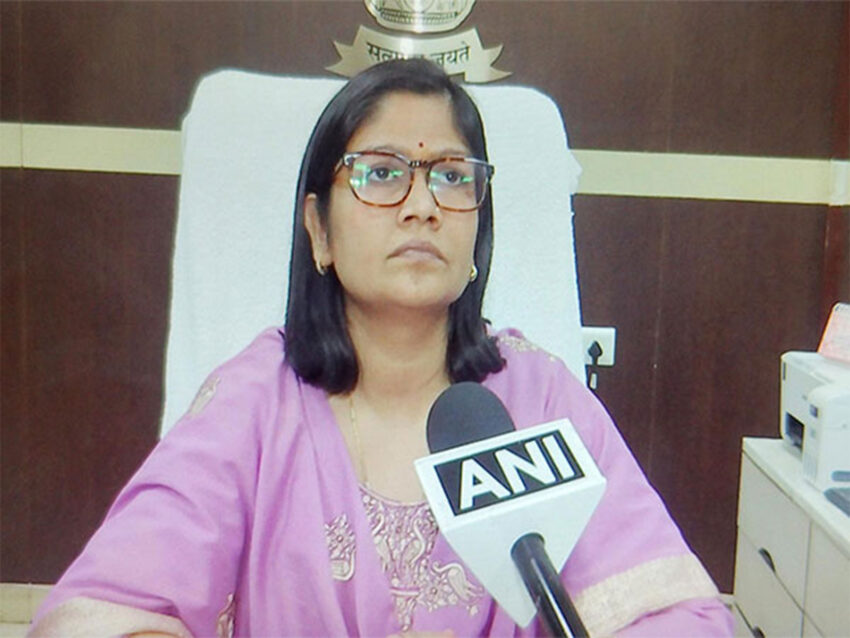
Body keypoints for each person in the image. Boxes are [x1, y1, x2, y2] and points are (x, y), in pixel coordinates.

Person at [29, 58, 733, 638]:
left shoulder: (539, 397)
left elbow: (676, 616)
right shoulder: (254, 404)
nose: (422, 205)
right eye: (381, 172)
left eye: (452, 176)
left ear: (479, 234)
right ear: (320, 231)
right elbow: (109, 613)